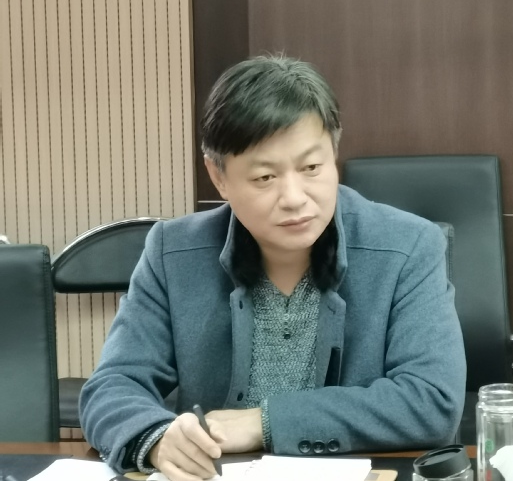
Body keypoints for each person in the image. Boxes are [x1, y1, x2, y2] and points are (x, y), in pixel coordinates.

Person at [80, 55, 466, 480]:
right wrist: (156, 438)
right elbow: (112, 387)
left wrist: (263, 422)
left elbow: (431, 400)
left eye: (312, 168)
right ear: (218, 176)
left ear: (334, 154)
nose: (295, 198)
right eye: (265, 177)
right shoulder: (173, 252)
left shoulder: (408, 246)